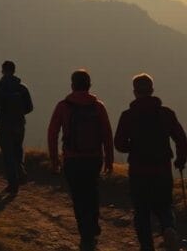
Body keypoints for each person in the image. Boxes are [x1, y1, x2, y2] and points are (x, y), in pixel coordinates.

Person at [114, 74, 187, 251]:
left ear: (134, 92)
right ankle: (168, 228)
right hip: (162, 169)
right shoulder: (166, 114)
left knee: (141, 211)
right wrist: (180, 160)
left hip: (139, 172)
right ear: (152, 90)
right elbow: (181, 139)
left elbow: (119, 144)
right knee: (164, 205)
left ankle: (147, 246)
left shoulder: (128, 116)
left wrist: (132, 147)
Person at [47, 69, 114, 251]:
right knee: (92, 191)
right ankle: (93, 226)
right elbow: (107, 134)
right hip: (93, 158)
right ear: (89, 85)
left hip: (72, 159)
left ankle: (85, 234)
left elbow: (52, 133)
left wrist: (54, 160)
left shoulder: (63, 106)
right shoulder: (98, 106)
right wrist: (109, 159)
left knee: (78, 196)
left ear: (72, 85)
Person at [0, 60, 34, 194]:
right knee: (18, 148)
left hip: (2, 124)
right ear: (14, 70)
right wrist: (19, 113)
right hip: (18, 123)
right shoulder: (22, 88)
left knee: (7, 153)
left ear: (2, 70)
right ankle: (20, 169)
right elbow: (30, 107)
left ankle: (13, 183)